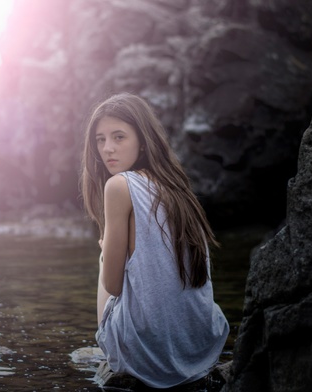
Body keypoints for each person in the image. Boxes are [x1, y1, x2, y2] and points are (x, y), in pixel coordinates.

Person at [80, 92, 229, 388]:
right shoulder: (178, 187)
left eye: (119, 137)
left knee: (103, 257)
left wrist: (108, 251)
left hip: (147, 356)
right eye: (100, 139)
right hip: (202, 344)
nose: (107, 148)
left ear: (143, 141)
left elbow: (112, 285)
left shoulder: (118, 186)